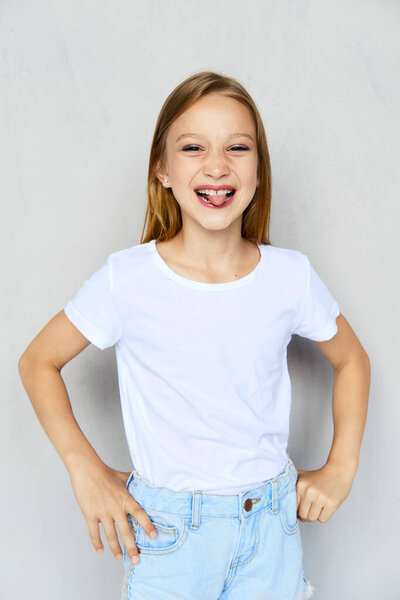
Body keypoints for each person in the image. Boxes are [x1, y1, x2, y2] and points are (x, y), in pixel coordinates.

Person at [18, 71, 370, 600]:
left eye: (237, 147)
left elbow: (352, 361)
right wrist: (83, 469)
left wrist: (342, 465)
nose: (216, 164)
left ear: (257, 171)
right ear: (162, 169)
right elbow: (37, 362)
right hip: (171, 540)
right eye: (192, 147)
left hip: (270, 534)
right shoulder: (127, 279)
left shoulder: (289, 276)